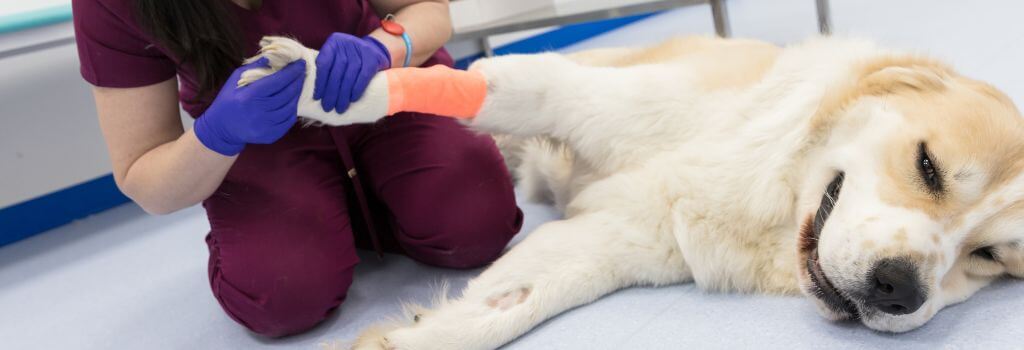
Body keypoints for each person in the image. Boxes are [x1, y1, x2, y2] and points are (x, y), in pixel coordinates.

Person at [72, 0, 523, 337]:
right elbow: (144, 178)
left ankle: (353, 210)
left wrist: (382, 47)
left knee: (477, 225)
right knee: (280, 297)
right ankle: (344, 215)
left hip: (379, 89)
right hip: (257, 138)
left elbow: (429, 11)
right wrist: (217, 134)